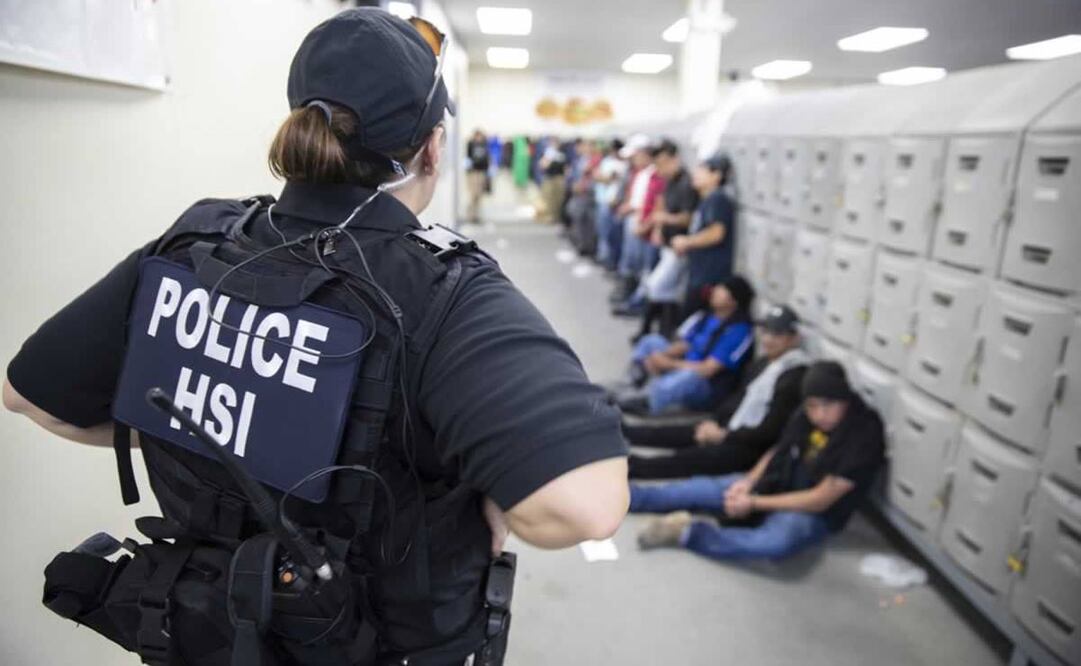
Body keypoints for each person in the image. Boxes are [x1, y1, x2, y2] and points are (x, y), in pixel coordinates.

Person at [2, 8, 628, 665]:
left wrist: (210, 431)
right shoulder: (444, 290)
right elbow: (583, 507)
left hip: (202, 631)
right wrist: (492, 497)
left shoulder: (200, 241)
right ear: (434, 147)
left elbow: (31, 398)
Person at [629, 361, 886, 562]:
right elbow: (779, 450)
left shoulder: (864, 433)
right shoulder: (806, 415)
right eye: (812, 406)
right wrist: (750, 482)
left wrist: (754, 503)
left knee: (775, 542)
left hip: (809, 511)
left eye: (829, 405)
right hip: (777, 483)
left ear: (844, 398)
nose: (819, 415)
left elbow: (821, 499)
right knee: (697, 488)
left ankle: (686, 533)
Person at [626, 305, 809, 479]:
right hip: (730, 429)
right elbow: (738, 399)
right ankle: (622, 433)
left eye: (777, 334)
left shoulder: (793, 375)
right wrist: (714, 423)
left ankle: (631, 467)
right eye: (766, 332)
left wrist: (724, 435)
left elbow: (769, 430)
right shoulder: (765, 363)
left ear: (793, 338)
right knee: (680, 432)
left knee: (688, 459)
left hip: (748, 448)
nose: (768, 339)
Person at [621, 275, 756, 415]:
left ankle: (649, 402)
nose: (715, 291)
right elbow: (686, 344)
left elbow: (707, 370)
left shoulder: (738, 331)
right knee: (651, 342)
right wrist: (661, 356)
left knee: (688, 377)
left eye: (722, 290)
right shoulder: (707, 316)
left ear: (733, 301)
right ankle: (634, 383)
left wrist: (668, 363)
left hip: (707, 384)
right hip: (685, 365)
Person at [633, 141, 700, 337]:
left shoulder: (686, 184)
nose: (660, 169)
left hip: (679, 246)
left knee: (658, 287)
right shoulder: (668, 181)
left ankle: (653, 331)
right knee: (663, 289)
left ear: (675, 159)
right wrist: (657, 228)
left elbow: (687, 217)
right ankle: (658, 331)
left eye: (663, 163)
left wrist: (664, 219)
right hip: (666, 243)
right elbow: (660, 203)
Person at [672, 154, 737, 317]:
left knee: (693, 317)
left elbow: (717, 233)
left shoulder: (718, 199)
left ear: (716, 176)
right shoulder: (707, 200)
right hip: (699, 272)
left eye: (702, 170)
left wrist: (687, 242)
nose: (695, 173)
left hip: (709, 276)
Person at [609, 134, 664, 308]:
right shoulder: (639, 174)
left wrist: (646, 225)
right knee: (632, 260)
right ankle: (632, 295)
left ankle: (639, 301)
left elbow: (654, 203)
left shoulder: (654, 175)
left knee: (644, 266)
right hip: (636, 222)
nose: (633, 160)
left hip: (644, 226)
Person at [539, 137, 567, 223]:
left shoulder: (562, 152)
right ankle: (550, 216)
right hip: (549, 177)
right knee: (549, 198)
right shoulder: (547, 152)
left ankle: (557, 216)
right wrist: (549, 158)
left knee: (559, 199)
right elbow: (543, 165)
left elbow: (566, 166)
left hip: (559, 177)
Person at [465, 128, 491, 224]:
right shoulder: (471, 144)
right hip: (473, 172)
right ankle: (471, 215)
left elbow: (487, 159)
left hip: (482, 172)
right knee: (473, 195)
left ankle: (477, 215)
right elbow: (468, 157)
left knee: (479, 195)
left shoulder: (484, 145)